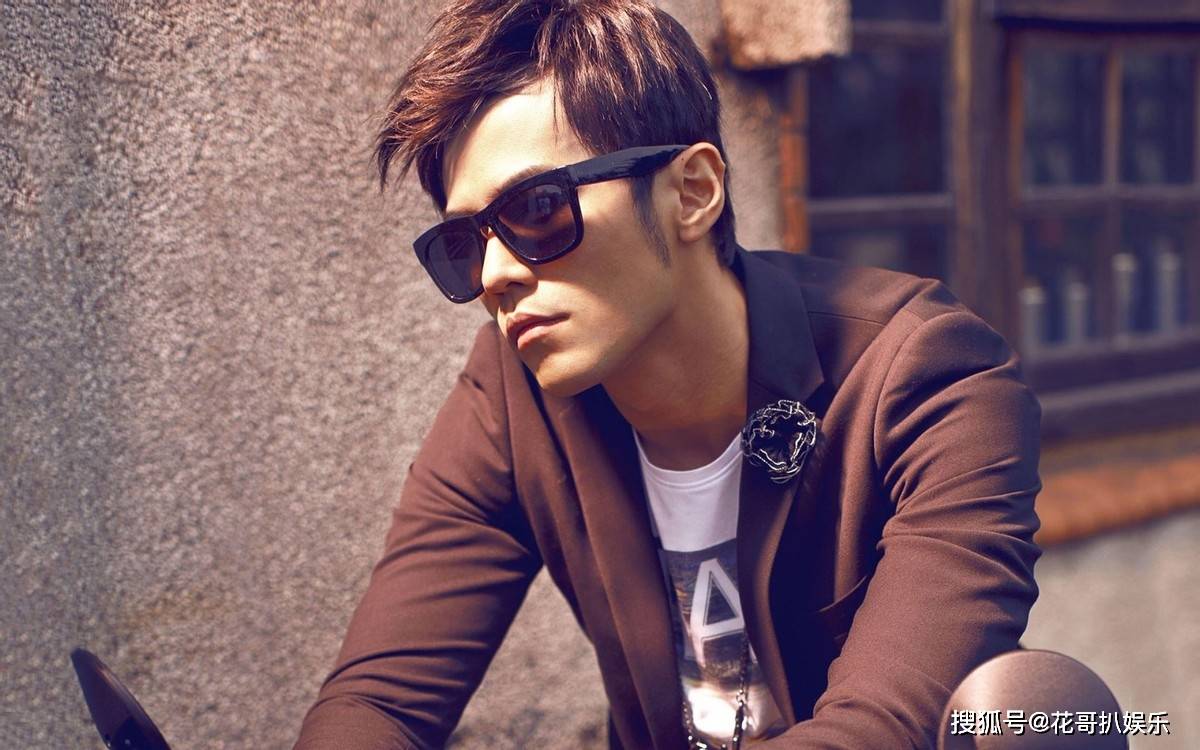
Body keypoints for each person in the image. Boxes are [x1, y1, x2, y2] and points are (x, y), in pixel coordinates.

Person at [294, 0, 1042, 748]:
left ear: (692, 192)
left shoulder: (928, 377)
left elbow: (880, 730)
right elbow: (378, 702)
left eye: (539, 207)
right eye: (466, 242)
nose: (494, 275)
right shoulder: (512, 394)